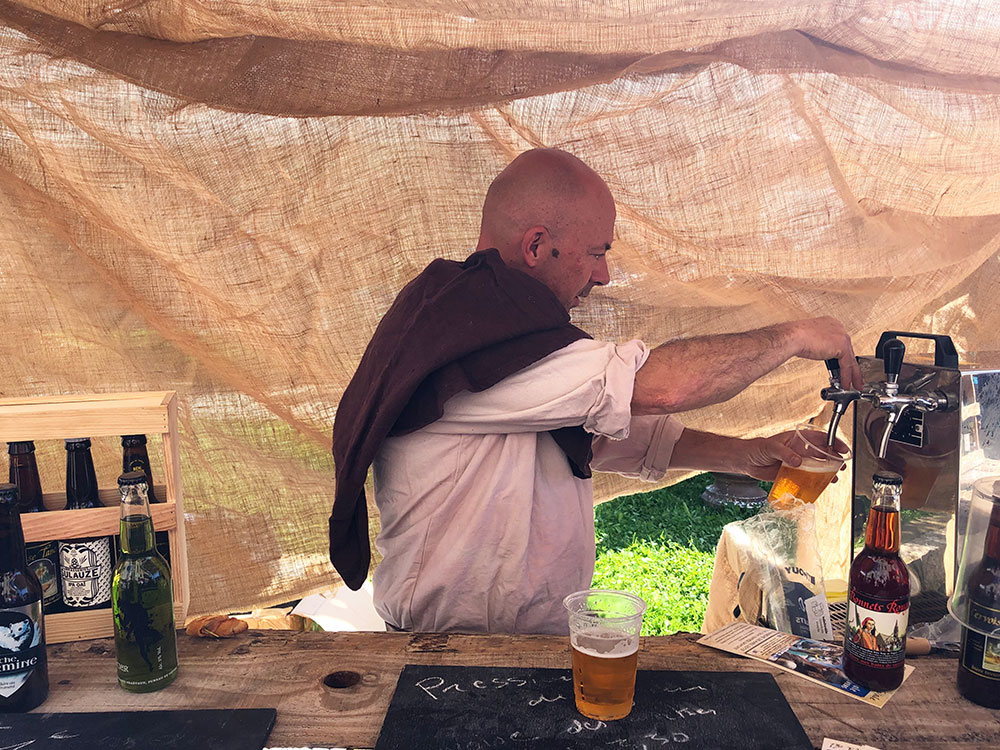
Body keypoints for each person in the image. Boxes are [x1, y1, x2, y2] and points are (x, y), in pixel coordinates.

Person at [330, 148, 862, 635]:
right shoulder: (467, 329)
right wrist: (793, 336)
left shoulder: (504, 325)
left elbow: (591, 432)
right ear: (537, 245)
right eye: (596, 252)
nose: (604, 274)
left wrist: (744, 454)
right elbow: (664, 388)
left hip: (527, 643)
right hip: (452, 651)